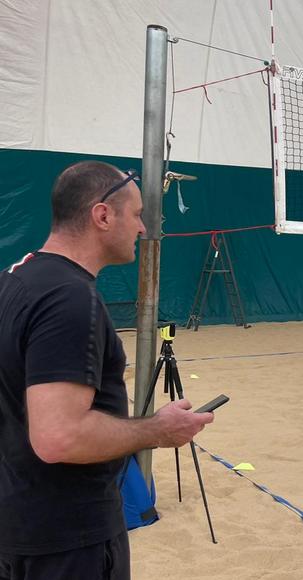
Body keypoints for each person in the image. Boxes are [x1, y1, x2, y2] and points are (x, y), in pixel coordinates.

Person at [0, 161, 216, 579]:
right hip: (67, 539)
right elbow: (58, 438)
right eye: (137, 215)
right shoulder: (70, 299)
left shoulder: (14, 280)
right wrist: (157, 429)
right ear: (102, 215)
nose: (143, 228)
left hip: (19, 522)